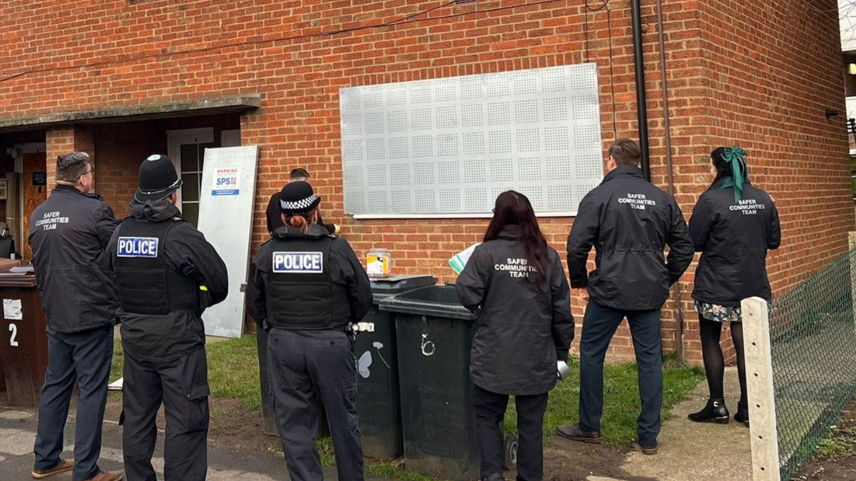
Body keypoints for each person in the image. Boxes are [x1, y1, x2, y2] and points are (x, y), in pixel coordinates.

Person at [559, 139, 694, 455]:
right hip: (649, 291)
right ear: (638, 163)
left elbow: (576, 245)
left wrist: (579, 284)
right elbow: (684, 247)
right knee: (650, 361)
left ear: (611, 162)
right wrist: (665, 277)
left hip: (607, 290)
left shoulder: (598, 197)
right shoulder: (662, 199)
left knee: (592, 354)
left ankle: (589, 426)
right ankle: (649, 437)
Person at [106, 154, 229, 481]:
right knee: (186, 425)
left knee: (137, 421)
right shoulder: (181, 235)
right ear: (172, 194)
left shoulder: (120, 233)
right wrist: (195, 300)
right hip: (179, 346)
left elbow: (108, 277)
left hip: (136, 346)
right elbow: (219, 282)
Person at [246, 181, 372, 481]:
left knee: (295, 429)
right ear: (315, 212)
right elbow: (363, 298)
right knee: (343, 424)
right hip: (329, 343)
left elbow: (255, 303)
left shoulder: (267, 253)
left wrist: (274, 326)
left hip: (283, 344)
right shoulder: (336, 249)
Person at [456, 191, 574, 481]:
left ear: (498, 218)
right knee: (531, 427)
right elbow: (562, 314)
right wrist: (560, 354)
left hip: (492, 358)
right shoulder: (548, 257)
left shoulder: (485, 254)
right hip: (535, 358)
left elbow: (468, 296)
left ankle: (493, 476)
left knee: (487, 419)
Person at [28, 152, 123, 481]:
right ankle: (86, 470)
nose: (92, 177)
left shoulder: (37, 215)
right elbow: (119, 253)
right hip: (92, 317)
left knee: (55, 386)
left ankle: (45, 459)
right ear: (82, 178)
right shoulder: (95, 210)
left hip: (56, 316)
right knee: (92, 392)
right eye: (91, 173)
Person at [687, 146, 780, 427]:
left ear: (718, 169)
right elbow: (774, 241)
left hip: (716, 284)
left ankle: (717, 407)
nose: (708, 171)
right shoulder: (764, 199)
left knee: (710, 338)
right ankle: (749, 408)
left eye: (709, 166)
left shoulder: (710, 199)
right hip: (752, 285)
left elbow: (695, 242)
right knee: (746, 346)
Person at [265, 168, 338, 235]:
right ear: (303, 181)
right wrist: (332, 228)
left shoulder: (275, 199)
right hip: (308, 243)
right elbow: (318, 228)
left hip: (279, 243)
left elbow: (270, 227)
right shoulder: (307, 200)